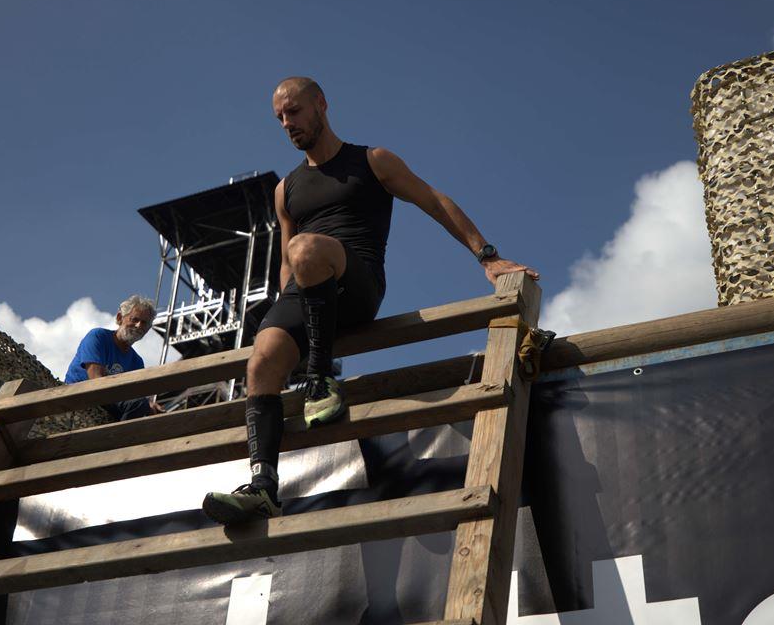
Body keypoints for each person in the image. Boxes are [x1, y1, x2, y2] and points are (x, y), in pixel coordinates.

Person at [202, 77, 538, 524]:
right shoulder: (285, 190)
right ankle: (263, 487)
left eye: (294, 111)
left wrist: (486, 255)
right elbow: (285, 263)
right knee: (261, 359)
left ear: (321, 104)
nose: (287, 123)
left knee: (307, 249)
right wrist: (288, 321)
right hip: (307, 290)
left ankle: (321, 379)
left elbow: (434, 201)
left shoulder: (372, 160)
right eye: (279, 117)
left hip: (357, 284)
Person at [65, 294, 162, 420]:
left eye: (144, 323)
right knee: (140, 405)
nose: (139, 325)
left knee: (153, 413)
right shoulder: (98, 336)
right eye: (134, 319)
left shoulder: (137, 362)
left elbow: (135, 397)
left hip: (110, 402)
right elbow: (96, 381)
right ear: (120, 318)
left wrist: (149, 405)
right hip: (80, 394)